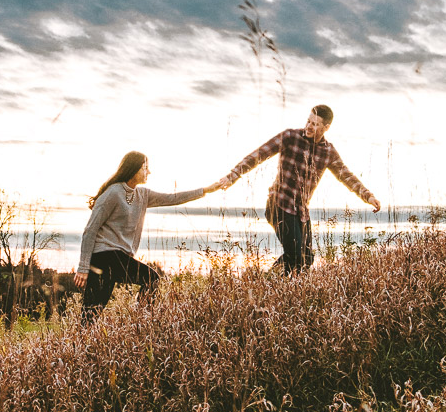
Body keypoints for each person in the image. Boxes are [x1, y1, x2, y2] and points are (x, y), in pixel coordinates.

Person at [218, 105, 381, 273]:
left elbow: (346, 175)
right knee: (296, 256)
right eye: (308, 121)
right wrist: (234, 175)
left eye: (315, 124)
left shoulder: (328, 151)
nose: (309, 127)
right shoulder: (291, 137)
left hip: (300, 211)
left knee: (306, 258)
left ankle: (270, 282)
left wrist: (368, 196)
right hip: (279, 205)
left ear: (326, 127)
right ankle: (272, 286)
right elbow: (259, 154)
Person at [74, 151, 220, 318]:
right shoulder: (113, 193)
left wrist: (206, 190)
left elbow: (173, 198)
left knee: (92, 313)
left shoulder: (142, 195)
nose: (149, 172)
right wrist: (83, 267)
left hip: (119, 257)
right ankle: (141, 321)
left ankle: (140, 323)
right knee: (149, 278)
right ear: (134, 169)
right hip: (103, 256)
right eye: (145, 168)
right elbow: (90, 230)